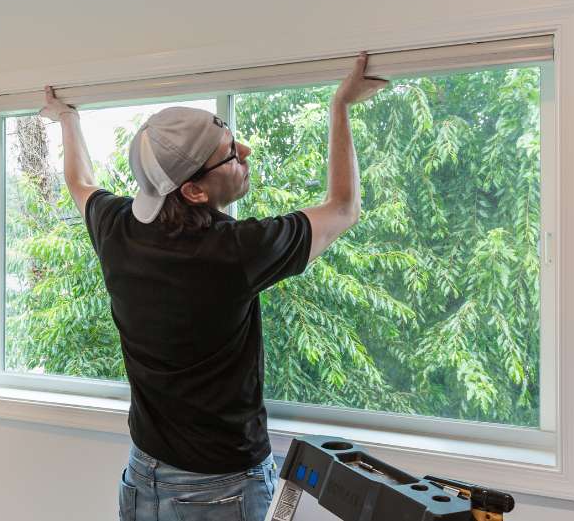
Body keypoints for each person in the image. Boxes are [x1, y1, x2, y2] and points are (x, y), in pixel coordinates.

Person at [39, 53, 387, 521]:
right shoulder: (234, 253)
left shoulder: (116, 228)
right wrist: (340, 106)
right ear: (195, 192)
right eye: (228, 154)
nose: (244, 152)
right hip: (218, 492)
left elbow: (78, 181)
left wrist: (66, 118)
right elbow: (343, 209)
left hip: (143, 478)